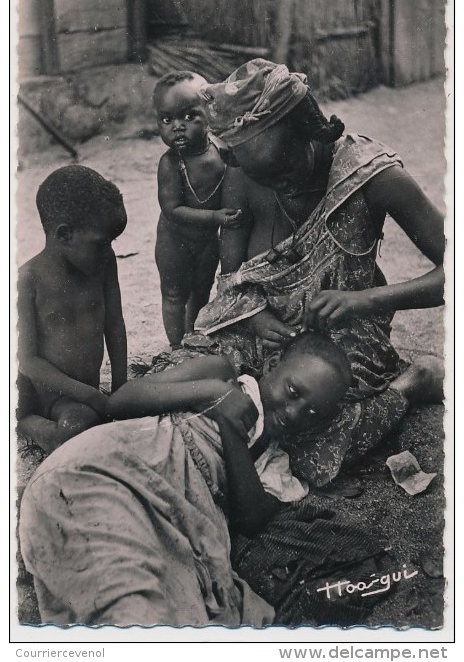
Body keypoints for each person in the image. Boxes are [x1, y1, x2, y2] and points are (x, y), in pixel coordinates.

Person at [190, 58, 445, 486]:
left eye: (288, 171)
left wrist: (363, 300)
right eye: (268, 179)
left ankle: (409, 384)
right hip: (262, 328)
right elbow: (230, 280)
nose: (284, 187)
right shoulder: (242, 177)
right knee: (197, 381)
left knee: (311, 435)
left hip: (343, 340)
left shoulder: (371, 176)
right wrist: (254, 316)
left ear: (313, 135)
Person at [19, 332, 358, 628]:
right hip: (111, 471)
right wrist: (214, 394)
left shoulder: (275, 463)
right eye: (293, 391)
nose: (295, 412)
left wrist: (230, 428)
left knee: (161, 603)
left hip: (168, 519)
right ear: (271, 366)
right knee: (125, 593)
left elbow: (251, 518)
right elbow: (119, 403)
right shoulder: (222, 375)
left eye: (314, 413)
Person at [17, 165, 128, 454]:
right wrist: (91, 396)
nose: (108, 250)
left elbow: (114, 323)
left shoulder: (103, 263)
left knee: (97, 418)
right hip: (47, 395)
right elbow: (28, 362)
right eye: (102, 243)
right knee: (77, 429)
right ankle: (25, 423)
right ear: (64, 234)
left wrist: (120, 386)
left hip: (85, 392)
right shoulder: (28, 279)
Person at [154, 71, 243, 349]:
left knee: (201, 290)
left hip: (206, 241)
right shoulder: (170, 163)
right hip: (174, 240)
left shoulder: (221, 150)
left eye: (189, 117)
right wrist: (215, 217)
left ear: (209, 114)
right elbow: (171, 209)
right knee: (173, 294)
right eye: (167, 120)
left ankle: (193, 336)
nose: (177, 127)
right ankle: (175, 346)